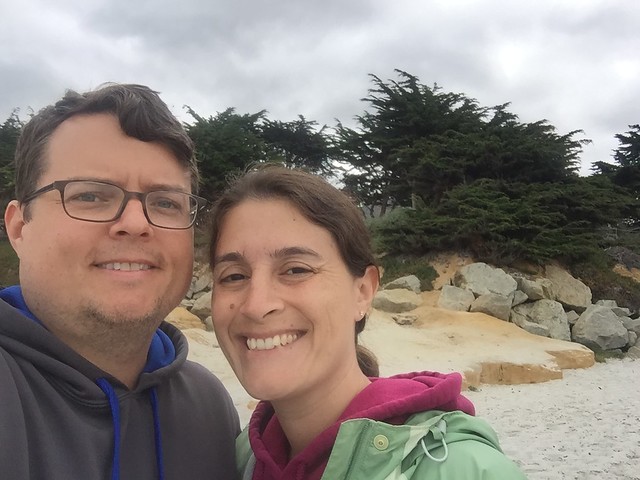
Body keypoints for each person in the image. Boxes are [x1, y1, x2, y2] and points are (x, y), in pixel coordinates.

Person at [207, 165, 527, 479]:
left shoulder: (463, 469)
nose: (256, 305)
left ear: (362, 292)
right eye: (234, 276)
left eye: (296, 270)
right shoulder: (238, 458)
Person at [0, 84, 240, 480]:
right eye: (91, 196)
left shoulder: (208, 406)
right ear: (20, 227)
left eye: (165, 202)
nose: (135, 224)